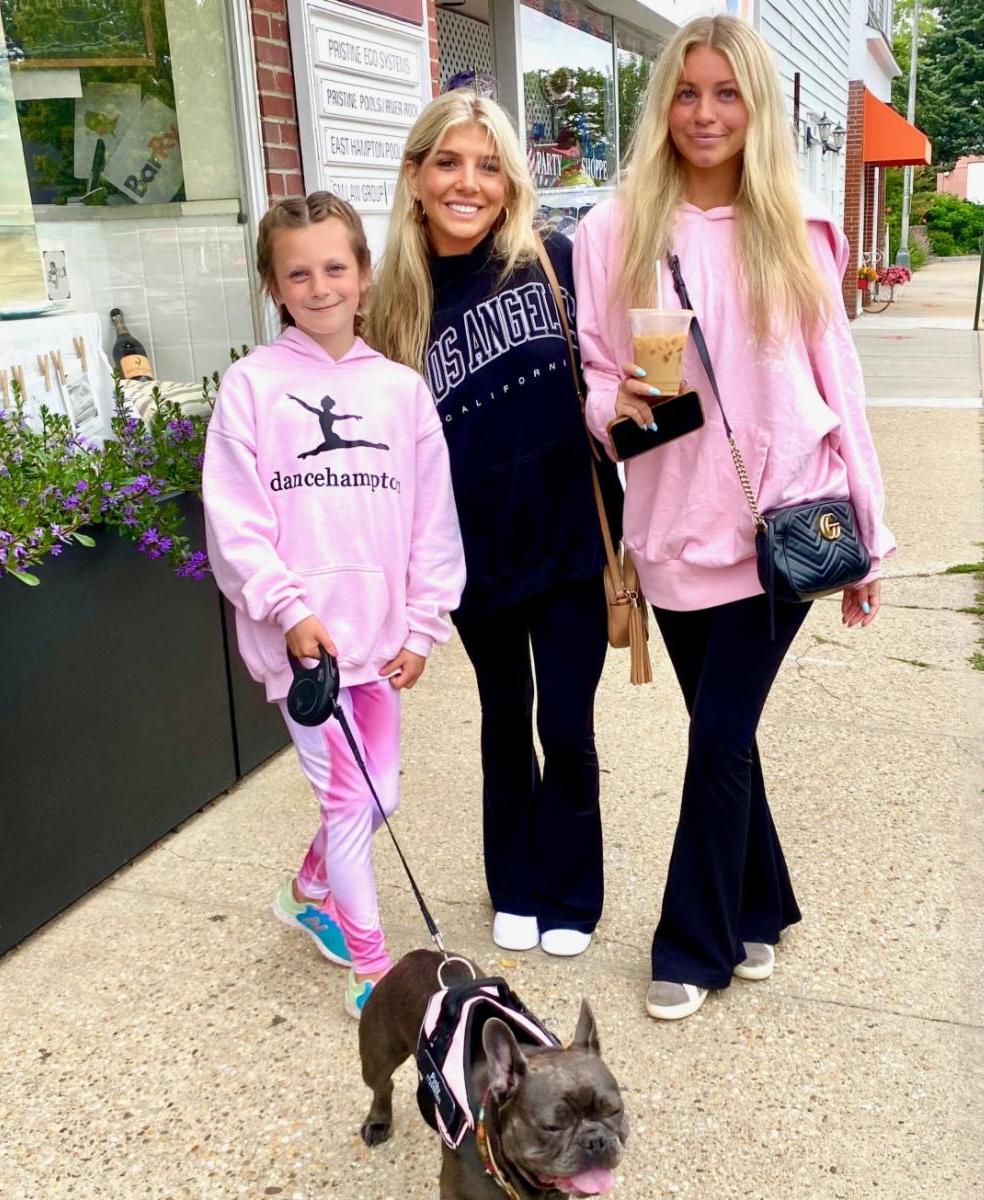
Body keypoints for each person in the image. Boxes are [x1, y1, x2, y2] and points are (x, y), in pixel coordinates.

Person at [573, 14, 896, 1020]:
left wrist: (870, 534)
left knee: (717, 737)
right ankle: (762, 904)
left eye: (726, 93)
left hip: (781, 527)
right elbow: (595, 370)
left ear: (755, 108)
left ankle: (692, 946)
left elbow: (838, 381)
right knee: (728, 735)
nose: (704, 113)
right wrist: (612, 401)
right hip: (672, 526)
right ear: (663, 103)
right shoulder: (613, 231)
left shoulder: (797, 229)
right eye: (686, 91)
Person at [367, 91, 623, 958]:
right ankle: (513, 882)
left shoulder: (554, 261)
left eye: (487, 165)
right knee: (504, 714)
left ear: (509, 181)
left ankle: (571, 889)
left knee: (568, 725)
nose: (467, 183)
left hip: (571, 536)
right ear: (415, 177)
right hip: (473, 553)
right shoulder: (392, 307)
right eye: (448, 163)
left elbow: (615, 378)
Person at [201, 193, 465, 1019]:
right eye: (298, 274)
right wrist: (286, 610)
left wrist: (424, 625)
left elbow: (433, 520)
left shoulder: (402, 392)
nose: (319, 287)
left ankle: (308, 889)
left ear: (365, 274)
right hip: (306, 650)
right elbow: (235, 520)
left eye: (335, 268)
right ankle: (373, 972)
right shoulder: (251, 386)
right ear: (273, 286)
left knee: (381, 796)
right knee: (350, 803)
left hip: (380, 642)